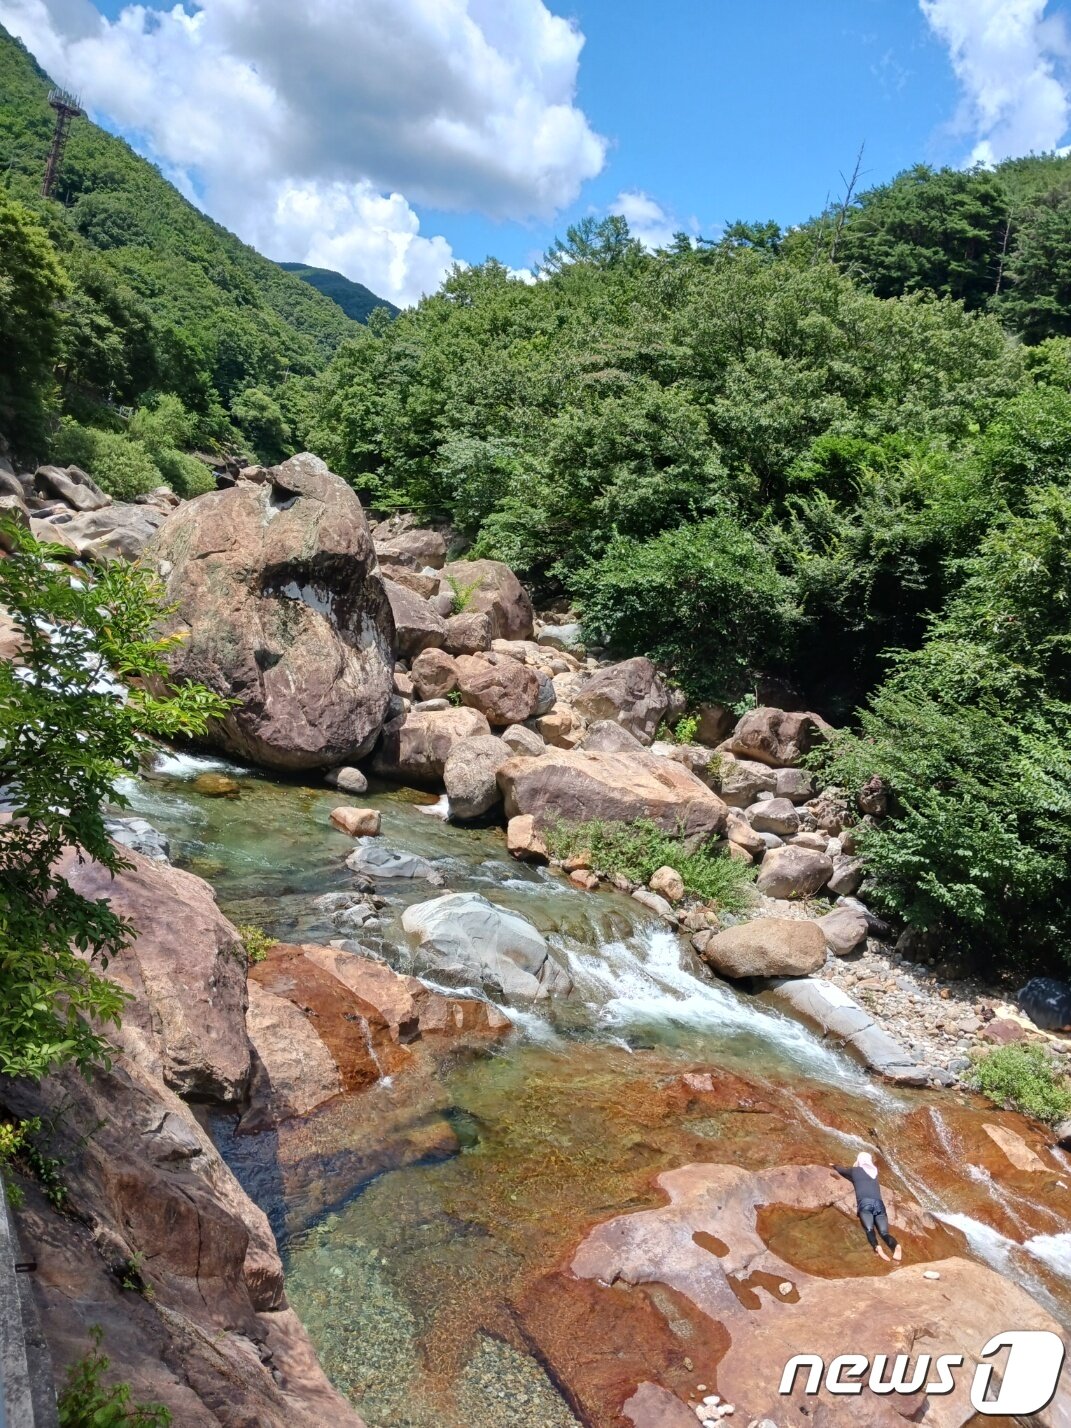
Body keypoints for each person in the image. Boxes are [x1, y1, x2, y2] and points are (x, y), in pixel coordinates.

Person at [832, 1151, 902, 1261]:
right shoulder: (874, 1173)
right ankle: (896, 1246)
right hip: (879, 1205)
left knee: (869, 1229)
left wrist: (834, 1165)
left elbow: (842, 1170)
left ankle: (877, 1247)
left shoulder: (855, 1171)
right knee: (884, 1233)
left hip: (865, 1204)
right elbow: (861, 1180)